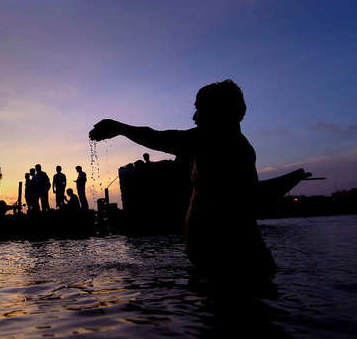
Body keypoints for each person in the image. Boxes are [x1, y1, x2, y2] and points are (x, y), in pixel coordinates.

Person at [89, 79, 276, 280]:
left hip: (235, 263)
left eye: (199, 109)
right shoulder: (218, 148)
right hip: (223, 262)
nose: (194, 117)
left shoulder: (221, 142)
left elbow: (161, 138)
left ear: (219, 112)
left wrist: (120, 128)